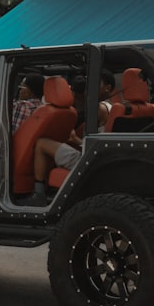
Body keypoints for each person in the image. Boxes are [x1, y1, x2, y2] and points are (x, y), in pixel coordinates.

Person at [26, 70, 116, 205]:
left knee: (41, 143)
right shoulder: (110, 106)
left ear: (107, 88)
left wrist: (75, 140)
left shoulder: (97, 109)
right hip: (98, 157)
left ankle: (39, 193)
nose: (88, 88)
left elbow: (88, 142)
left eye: (96, 83)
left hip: (88, 159)